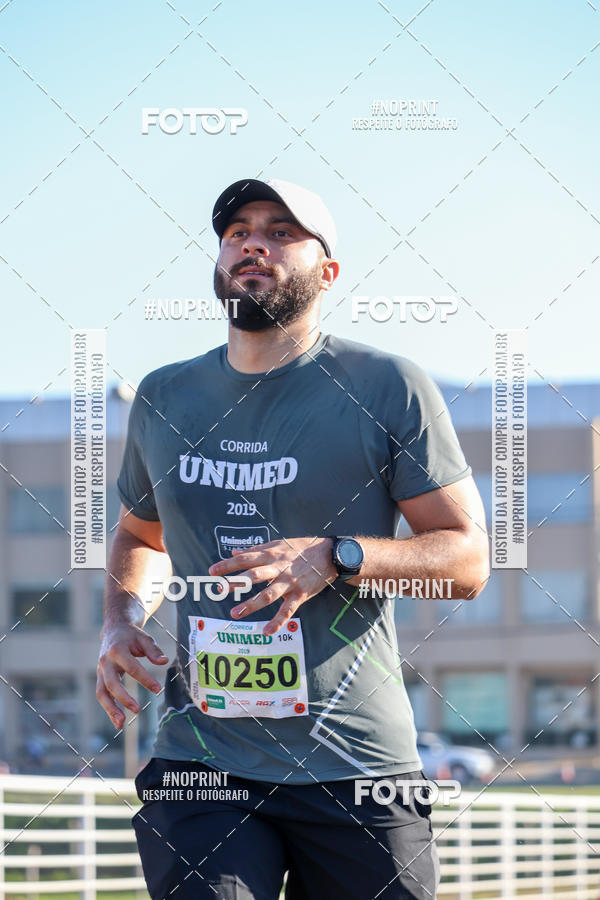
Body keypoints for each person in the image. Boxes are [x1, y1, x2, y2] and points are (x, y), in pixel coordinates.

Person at [96, 177, 489, 899]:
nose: (254, 244)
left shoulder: (387, 385)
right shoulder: (162, 396)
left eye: (281, 232)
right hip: (203, 758)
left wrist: (338, 556)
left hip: (357, 765)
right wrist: (121, 620)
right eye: (238, 232)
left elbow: (466, 560)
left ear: (327, 271)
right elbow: (140, 536)